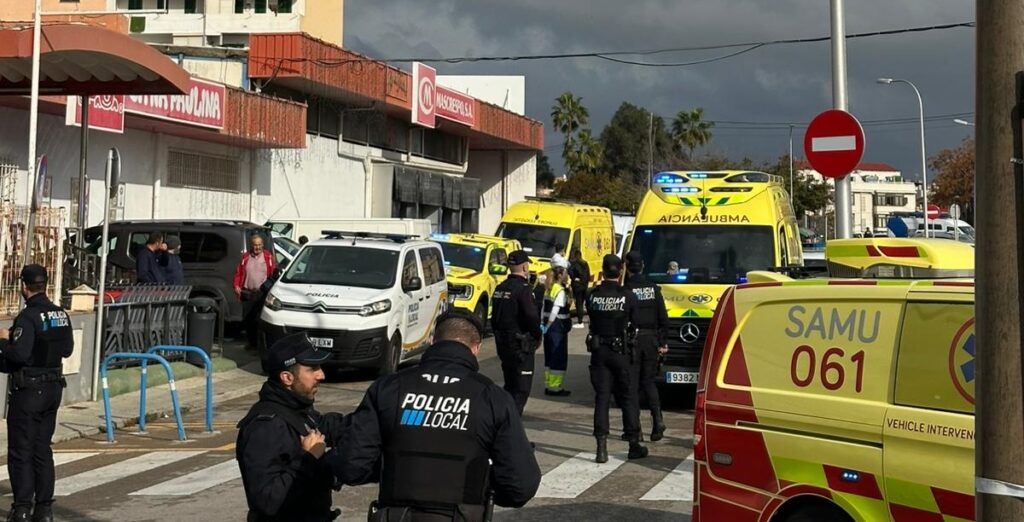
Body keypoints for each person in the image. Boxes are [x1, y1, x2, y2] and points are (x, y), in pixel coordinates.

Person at [335, 310, 541, 521]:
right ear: (476, 348)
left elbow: (351, 466)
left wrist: (396, 467)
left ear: (433, 341)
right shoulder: (493, 398)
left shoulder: (388, 388)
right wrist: (478, 480)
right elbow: (521, 486)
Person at [236, 332, 345, 522]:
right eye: (312, 368)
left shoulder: (296, 409)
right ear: (287, 377)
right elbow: (266, 501)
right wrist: (308, 459)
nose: (322, 375)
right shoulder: (265, 427)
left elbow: (325, 426)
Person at [0, 265, 73, 522]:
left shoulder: (28, 316)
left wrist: (4, 343)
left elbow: (18, 355)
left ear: (24, 286)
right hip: (53, 387)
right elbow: (67, 350)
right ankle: (44, 509)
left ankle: (21, 508)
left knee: (21, 450)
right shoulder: (60, 313)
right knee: (42, 449)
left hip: (29, 389)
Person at [586, 254, 647, 463]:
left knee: (602, 398)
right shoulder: (628, 296)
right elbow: (636, 322)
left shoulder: (592, 295)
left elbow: (592, 320)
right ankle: (633, 443)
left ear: (602, 271)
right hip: (620, 351)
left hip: (598, 351)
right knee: (627, 397)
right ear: (621, 271)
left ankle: (601, 447)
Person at [623, 252, 669, 442]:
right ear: (642, 266)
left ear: (627, 267)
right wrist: (662, 342)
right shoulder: (653, 288)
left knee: (632, 386)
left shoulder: (626, 289)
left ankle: (636, 430)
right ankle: (658, 421)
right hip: (651, 340)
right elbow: (663, 318)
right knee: (649, 382)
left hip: (633, 340)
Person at [489, 250, 542, 415]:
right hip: (520, 345)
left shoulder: (500, 288)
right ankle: (510, 427)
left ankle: (504, 421)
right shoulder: (523, 289)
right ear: (525, 267)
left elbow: (494, 318)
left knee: (510, 385)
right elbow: (531, 316)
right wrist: (537, 335)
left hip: (503, 344)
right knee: (521, 389)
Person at [234, 234, 277, 347]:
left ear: (262, 245)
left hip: (261, 293)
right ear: (251, 246)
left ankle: (259, 344)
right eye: (255, 245)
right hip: (247, 292)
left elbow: (273, 274)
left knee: (259, 320)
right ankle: (251, 343)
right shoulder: (245, 257)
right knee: (248, 319)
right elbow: (238, 273)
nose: (257, 247)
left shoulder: (268, 257)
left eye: (259, 245)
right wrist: (237, 286)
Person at [541, 265, 571, 397]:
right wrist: (549, 324)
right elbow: (555, 311)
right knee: (558, 356)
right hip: (557, 327)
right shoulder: (560, 291)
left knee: (549, 356)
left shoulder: (549, 288)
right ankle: (555, 388)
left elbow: (543, 308)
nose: (567, 276)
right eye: (565, 273)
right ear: (560, 276)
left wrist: (543, 324)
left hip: (548, 328)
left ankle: (549, 385)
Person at [567, 249, 590, 328]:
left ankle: (580, 321)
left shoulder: (572, 263)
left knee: (579, 303)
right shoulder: (585, 263)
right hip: (584, 285)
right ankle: (584, 319)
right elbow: (588, 275)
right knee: (583, 302)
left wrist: (574, 278)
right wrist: (585, 283)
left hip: (577, 286)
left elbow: (570, 273)